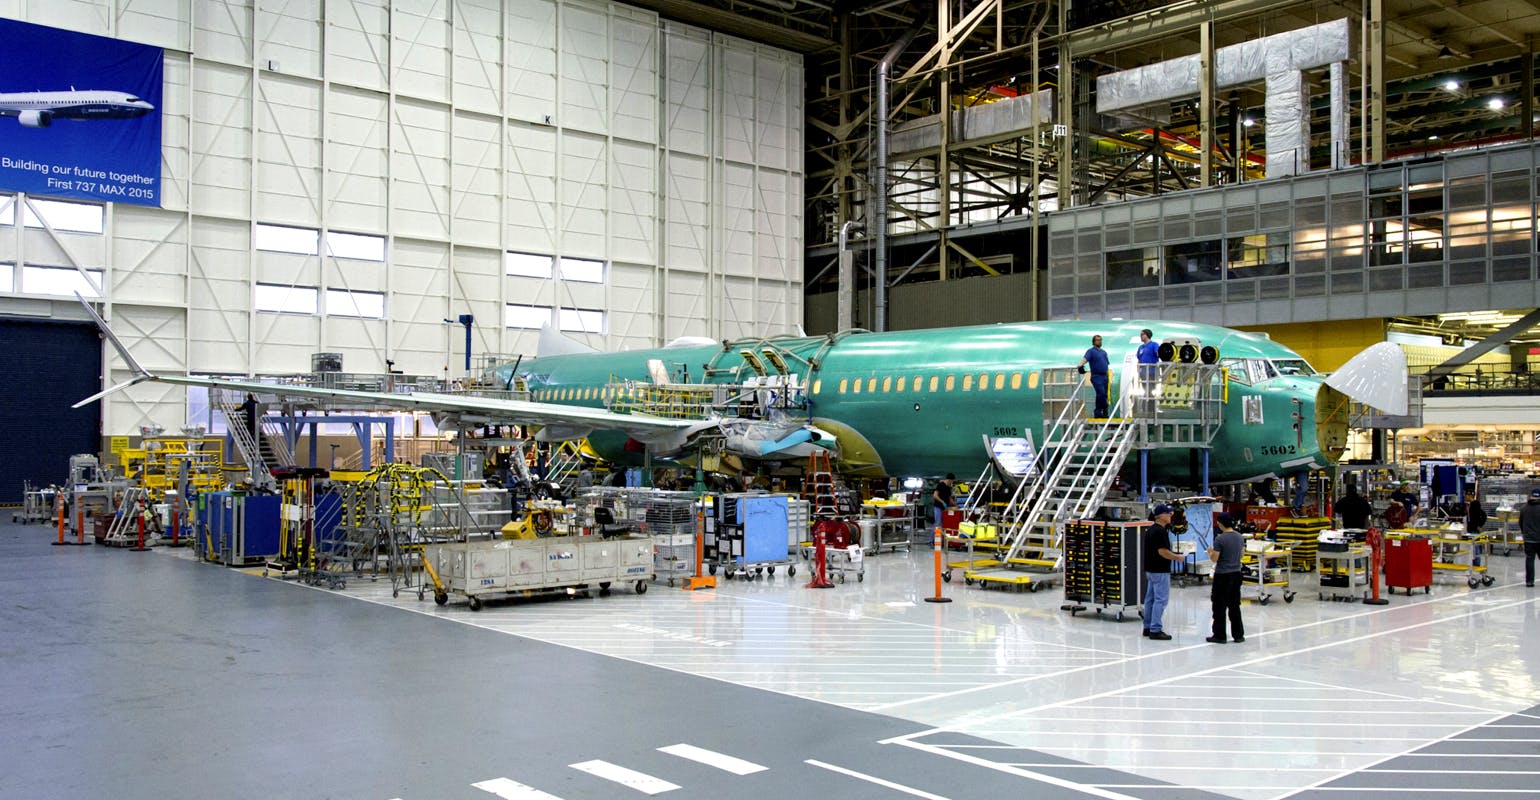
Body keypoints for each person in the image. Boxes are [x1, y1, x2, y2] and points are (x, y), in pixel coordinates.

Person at [1142, 504, 1186, 640]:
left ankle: (1147, 627)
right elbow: (1162, 551)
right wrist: (1177, 557)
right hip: (1160, 570)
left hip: (1150, 569)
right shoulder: (1160, 532)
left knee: (1150, 599)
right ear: (1161, 516)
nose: (1170, 516)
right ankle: (1155, 628)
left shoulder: (1151, 530)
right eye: (1168, 514)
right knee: (1161, 600)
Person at [1206, 513, 1245, 644]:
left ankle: (1220, 635)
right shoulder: (1239, 537)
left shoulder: (1220, 539)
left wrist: (1210, 552)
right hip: (1236, 573)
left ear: (1221, 523)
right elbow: (1242, 554)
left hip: (1223, 575)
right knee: (1234, 605)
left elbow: (1214, 558)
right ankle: (1238, 634)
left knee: (1219, 606)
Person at [1078, 334, 1111, 418]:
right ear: (1093, 342)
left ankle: (1104, 411)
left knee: (1104, 395)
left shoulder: (1104, 352)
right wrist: (1080, 365)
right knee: (1101, 393)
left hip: (1104, 376)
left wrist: (1108, 376)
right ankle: (1099, 411)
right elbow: (1085, 358)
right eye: (1097, 340)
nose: (1099, 341)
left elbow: (1106, 364)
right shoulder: (1091, 351)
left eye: (1100, 340)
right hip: (1096, 376)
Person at [1520, 488, 1540, 587]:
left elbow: (1520, 523)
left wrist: (1525, 533)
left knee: (1529, 559)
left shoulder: (1524, 508)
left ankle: (1529, 581)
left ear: (1531, 496)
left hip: (1528, 539)